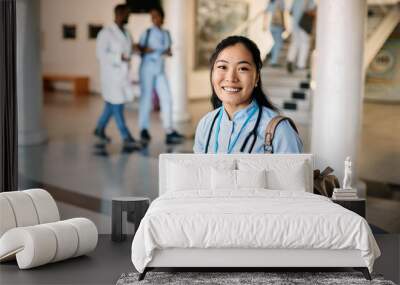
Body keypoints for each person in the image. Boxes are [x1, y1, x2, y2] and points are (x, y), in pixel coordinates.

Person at [193, 36, 303, 154]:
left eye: (243, 68)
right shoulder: (206, 124)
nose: (231, 78)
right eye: (222, 67)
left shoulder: (279, 130)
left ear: (256, 77)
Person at [94, 4, 141, 150]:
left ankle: (99, 129)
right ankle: (126, 136)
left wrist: (138, 49)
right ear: (119, 14)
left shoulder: (126, 32)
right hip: (111, 76)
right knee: (117, 105)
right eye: (127, 15)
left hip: (123, 75)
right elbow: (100, 54)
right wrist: (118, 57)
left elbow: (130, 49)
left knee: (111, 105)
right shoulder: (106, 33)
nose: (129, 17)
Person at [137, 7, 184, 145]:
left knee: (167, 98)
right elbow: (139, 48)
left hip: (160, 69)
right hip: (147, 68)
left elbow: (168, 51)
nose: (154, 19)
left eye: (156, 16)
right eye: (152, 16)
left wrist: (168, 52)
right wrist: (147, 50)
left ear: (162, 17)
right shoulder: (147, 32)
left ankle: (169, 130)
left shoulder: (166, 33)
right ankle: (143, 129)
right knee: (146, 98)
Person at [286, 0, 316, 73]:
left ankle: (290, 59)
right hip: (304, 25)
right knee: (305, 43)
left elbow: (290, 12)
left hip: (295, 24)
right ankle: (301, 64)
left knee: (295, 43)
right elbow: (312, 10)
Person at [263, 0, 286, 67]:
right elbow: (282, 13)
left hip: (271, 25)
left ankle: (269, 55)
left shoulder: (271, 2)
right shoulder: (281, 1)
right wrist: (284, 25)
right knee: (278, 43)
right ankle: (273, 61)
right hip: (278, 25)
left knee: (276, 42)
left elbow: (266, 12)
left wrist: (264, 25)